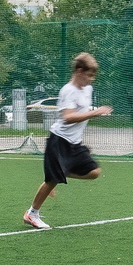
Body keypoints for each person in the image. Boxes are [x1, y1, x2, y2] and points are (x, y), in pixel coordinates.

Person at [22, 51, 109, 230]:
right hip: (59, 141)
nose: (92, 79)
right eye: (89, 74)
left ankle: (61, 171)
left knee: (94, 172)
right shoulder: (67, 91)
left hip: (74, 143)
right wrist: (95, 112)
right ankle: (32, 214)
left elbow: (80, 114)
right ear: (79, 70)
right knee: (51, 181)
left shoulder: (88, 89)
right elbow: (68, 117)